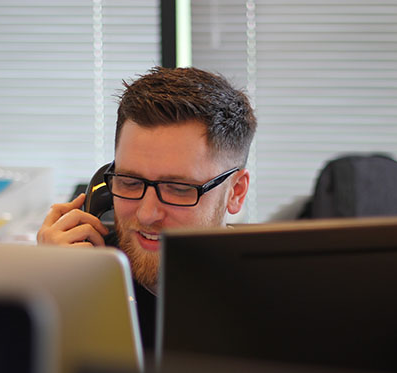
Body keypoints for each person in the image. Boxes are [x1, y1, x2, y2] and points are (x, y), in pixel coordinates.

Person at [37, 66, 256, 351]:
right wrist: (46, 289)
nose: (146, 214)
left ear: (235, 192)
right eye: (129, 182)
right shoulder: (80, 276)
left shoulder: (273, 307)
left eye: (178, 188)